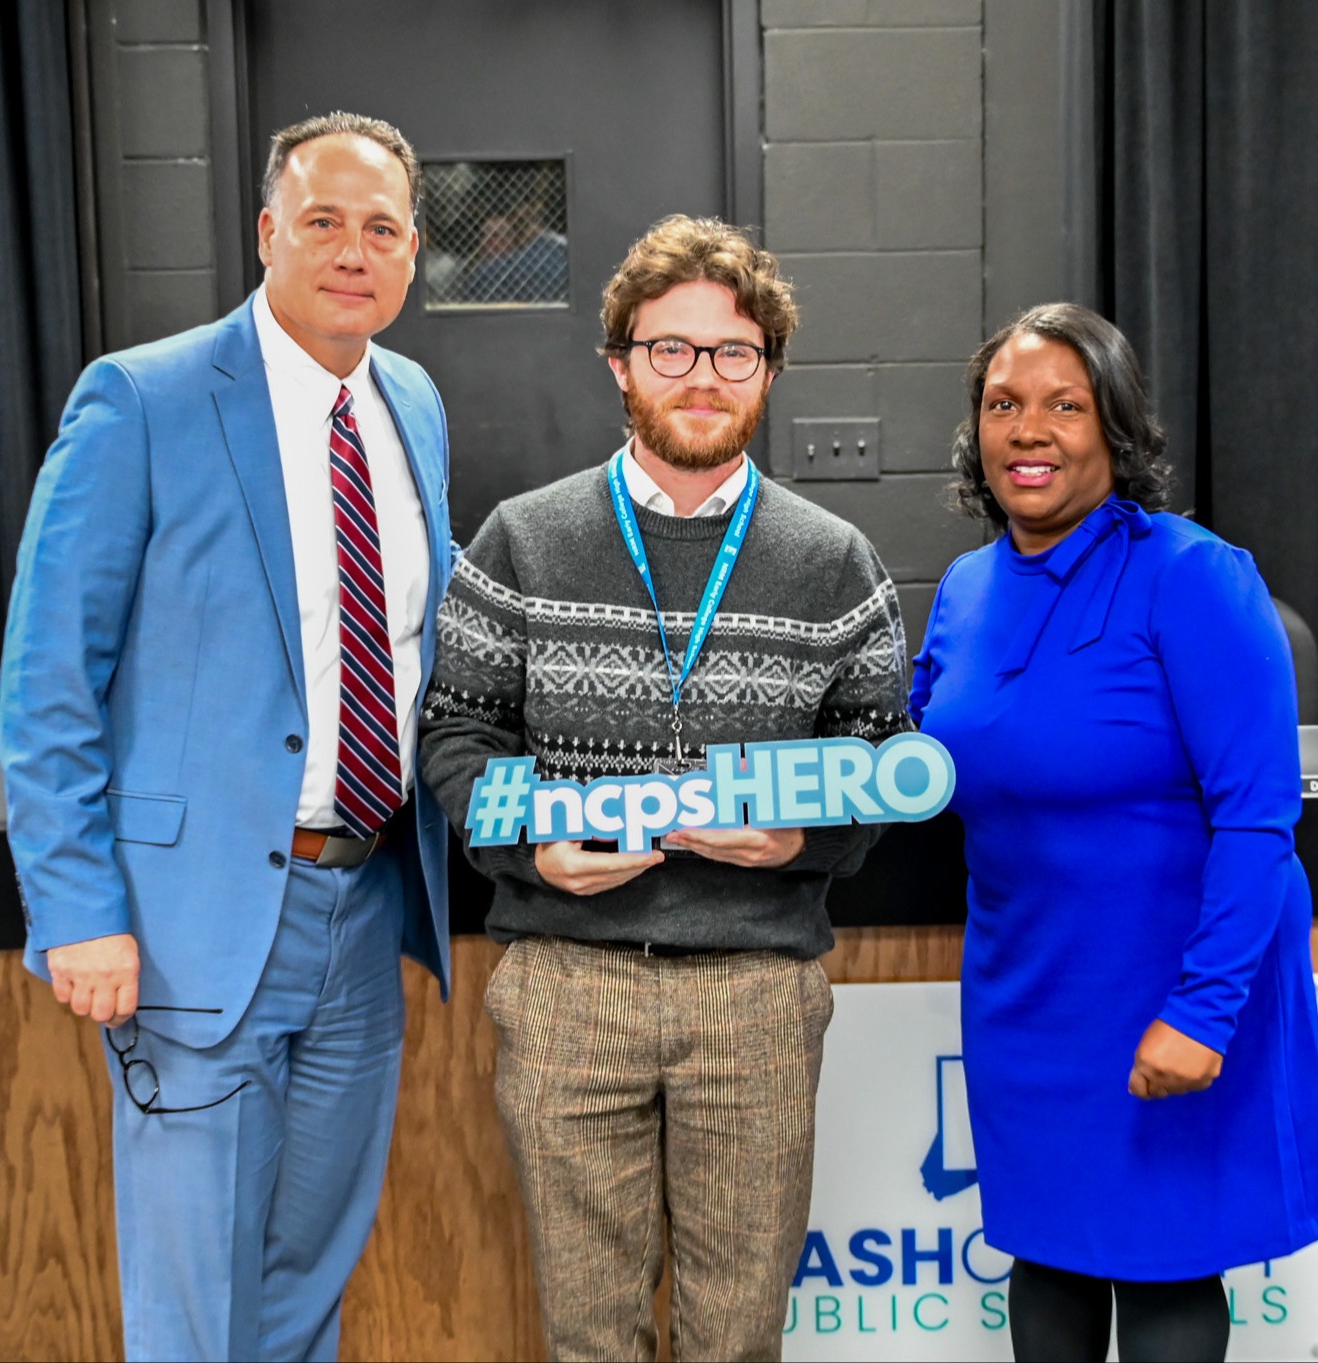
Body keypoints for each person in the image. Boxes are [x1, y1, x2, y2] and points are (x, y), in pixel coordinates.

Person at [0, 111, 454, 1362]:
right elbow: (46, 684)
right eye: (322, 223)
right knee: (197, 1311)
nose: (352, 252)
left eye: (381, 229)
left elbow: (412, 642)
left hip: (362, 917)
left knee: (305, 1283)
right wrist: (76, 905)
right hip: (192, 925)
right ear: (267, 234)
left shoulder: (410, 400)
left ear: (414, 254)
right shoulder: (140, 400)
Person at [419, 214, 911, 1361]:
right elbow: (455, 729)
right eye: (671, 348)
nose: (702, 376)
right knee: (589, 1335)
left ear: (768, 372)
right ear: (621, 362)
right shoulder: (518, 540)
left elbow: (880, 752)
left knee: (736, 1334)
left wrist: (801, 846)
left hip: (755, 991)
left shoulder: (834, 558)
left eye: (732, 352)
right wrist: (525, 850)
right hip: (565, 983)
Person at [909, 302, 1318, 1362]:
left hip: (1173, 986)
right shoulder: (962, 588)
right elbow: (914, 763)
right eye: (1004, 404)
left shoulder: (1193, 576)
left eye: (1064, 406)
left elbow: (1258, 816)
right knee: (1045, 1257)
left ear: (1115, 429)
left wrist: (1204, 1009)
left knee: (1167, 1260)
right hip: (1027, 992)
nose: (1028, 430)